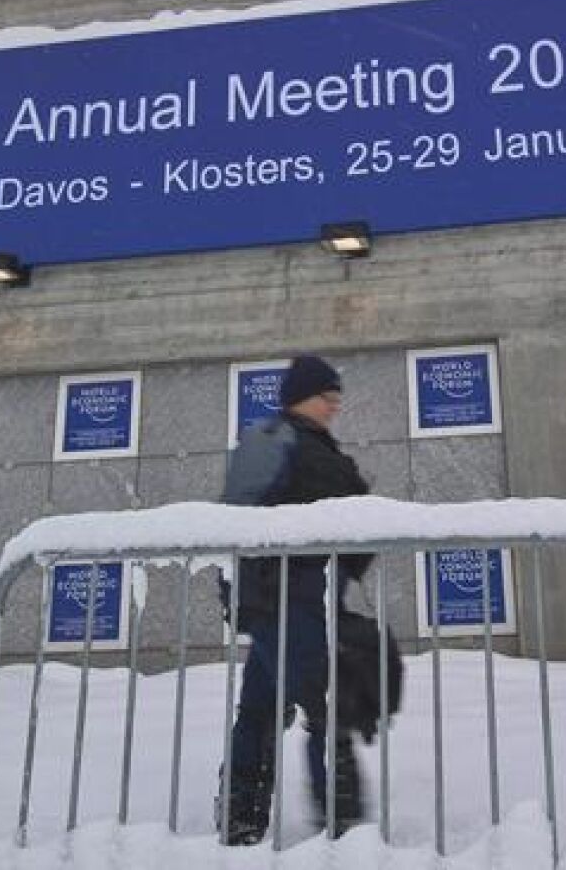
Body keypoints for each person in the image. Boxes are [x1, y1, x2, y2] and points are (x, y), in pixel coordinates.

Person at [216, 355, 372, 845]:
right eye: (327, 398)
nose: (334, 408)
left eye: (337, 400)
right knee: (326, 706)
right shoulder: (271, 440)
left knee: (263, 710)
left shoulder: (310, 445)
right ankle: (341, 830)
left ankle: (241, 821)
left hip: (299, 599)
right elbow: (240, 520)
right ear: (301, 397)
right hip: (283, 600)